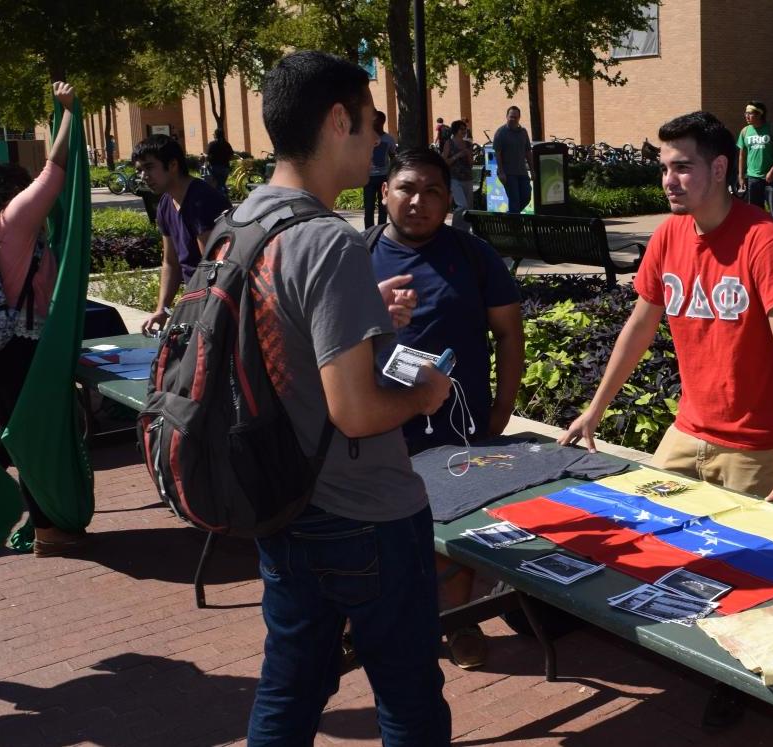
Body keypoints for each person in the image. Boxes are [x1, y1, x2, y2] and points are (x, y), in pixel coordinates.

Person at [559, 110, 773, 729]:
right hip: (687, 434)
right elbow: (639, 326)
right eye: (663, 166)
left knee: (748, 577)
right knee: (659, 555)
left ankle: (740, 686)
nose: (668, 178)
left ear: (720, 168)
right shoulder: (670, 236)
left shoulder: (763, 240)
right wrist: (595, 409)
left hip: (751, 449)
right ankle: (692, 657)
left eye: (682, 166)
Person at [238, 50, 452, 744]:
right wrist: (426, 395)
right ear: (337, 121)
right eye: (370, 123)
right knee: (410, 696)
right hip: (365, 514)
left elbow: (282, 338)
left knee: (290, 688)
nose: (378, 140)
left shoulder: (244, 223)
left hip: (281, 501)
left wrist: (367, 315)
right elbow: (355, 410)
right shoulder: (327, 240)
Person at [370, 146, 524, 670]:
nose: (419, 201)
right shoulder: (355, 255)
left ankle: (459, 620)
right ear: (386, 192)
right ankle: (380, 618)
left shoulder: (473, 256)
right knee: (380, 526)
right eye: (407, 188)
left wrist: (502, 408)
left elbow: (508, 333)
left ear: (449, 200)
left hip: (459, 423)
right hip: (378, 420)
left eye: (433, 191)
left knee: (453, 524)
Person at [0, 82, 82, 556]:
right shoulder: (14, 219)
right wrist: (67, 113)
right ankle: (46, 530)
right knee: (32, 440)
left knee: (17, 436)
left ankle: (39, 520)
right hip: (17, 346)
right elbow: (55, 172)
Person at [134, 134, 231, 337]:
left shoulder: (201, 201)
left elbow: (213, 269)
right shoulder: (165, 203)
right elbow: (171, 263)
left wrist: (190, 313)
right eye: (140, 170)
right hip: (197, 301)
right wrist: (162, 309)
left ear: (173, 165)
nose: (144, 176)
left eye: (149, 167)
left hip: (217, 306)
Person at [736, 100, 773, 226]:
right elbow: (742, 155)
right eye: (746, 113)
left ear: (760, 114)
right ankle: (760, 240)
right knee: (755, 213)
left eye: (750, 113)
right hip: (753, 178)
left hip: (771, 178)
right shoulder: (745, 131)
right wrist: (741, 175)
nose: (747, 116)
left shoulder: (772, 129)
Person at [493, 106, 533, 214]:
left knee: (526, 197)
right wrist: (501, 172)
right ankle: (514, 226)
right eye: (511, 117)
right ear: (507, 117)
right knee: (514, 200)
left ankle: (510, 215)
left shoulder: (523, 132)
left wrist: (533, 171)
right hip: (508, 173)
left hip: (522, 172)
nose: (513, 119)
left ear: (519, 118)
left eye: (515, 117)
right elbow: (498, 154)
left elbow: (528, 152)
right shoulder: (500, 133)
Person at [363, 110, 396, 228]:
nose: (374, 123)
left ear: (382, 122)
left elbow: (393, 156)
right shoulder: (366, 138)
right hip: (369, 177)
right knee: (369, 208)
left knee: (383, 207)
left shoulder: (389, 139)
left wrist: (393, 173)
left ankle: (380, 230)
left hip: (383, 176)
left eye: (376, 121)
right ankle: (369, 231)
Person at [441, 119, 474, 232]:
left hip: (467, 178)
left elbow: (471, 164)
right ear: (455, 130)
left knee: (468, 208)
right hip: (454, 178)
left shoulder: (468, 144)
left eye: (465, 129)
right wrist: (458, 155)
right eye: (461, 129)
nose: (464, 131)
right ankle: (455, 229)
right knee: (462, 205)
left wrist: (468, 155)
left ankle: (465, 232)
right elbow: (444, 162)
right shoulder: (449, 143)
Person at [204, 128, 234, 197]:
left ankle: (222, 199)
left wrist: (206, 164)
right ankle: (225, 196)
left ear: (215, 135)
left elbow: (207, 156)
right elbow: (231, 155)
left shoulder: (212, 144)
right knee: (222, 183)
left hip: (214, 167)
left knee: (217, 185)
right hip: (225, 167)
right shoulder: (226, 144)